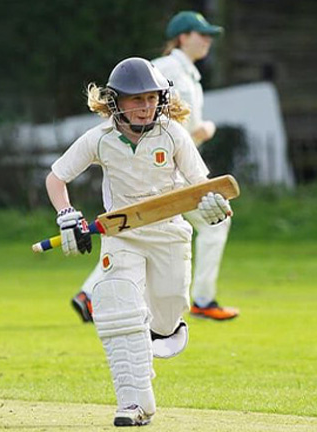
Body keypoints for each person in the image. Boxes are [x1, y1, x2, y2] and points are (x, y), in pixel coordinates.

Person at [45, 57, 233, 426]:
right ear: (115, 102)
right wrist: (66, 214)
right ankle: (134, 404)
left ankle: (155, 336)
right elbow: (56, 178)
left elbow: (202, 185)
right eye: (135, 99)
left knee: (164, 321)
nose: (145, 107)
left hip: (168, 235)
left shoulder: (173, 133)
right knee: (118, 307)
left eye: (151, 98)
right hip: (122, 236)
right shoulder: (99, 138)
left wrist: (214, 205)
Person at [71, 11, 239, 323]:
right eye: (200, 33)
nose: (207, 40)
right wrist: (195, 133)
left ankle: (90, 294)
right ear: (181, 37)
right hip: (158, 169)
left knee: (136, 226)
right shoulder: (165, 68)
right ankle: (202, 299)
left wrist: (200, 131)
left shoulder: (191, 75)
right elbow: (144, 116)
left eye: (209, 35)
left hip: (177, 168)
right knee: (144, 225)